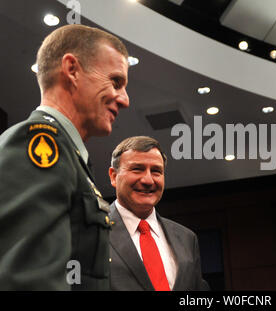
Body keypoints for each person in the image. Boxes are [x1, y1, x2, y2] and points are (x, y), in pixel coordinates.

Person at [0, 24, 130, 290]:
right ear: (72, 70)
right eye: (115, 82)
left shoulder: (68, 155)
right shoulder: (41, 143)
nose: (125, 99)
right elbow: (27, 282)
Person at [108, 136, 209, 291]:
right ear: (114, 176)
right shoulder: (90, 231)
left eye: (156, 171)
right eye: (137, 169)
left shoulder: (187, 238)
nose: (148, 180)